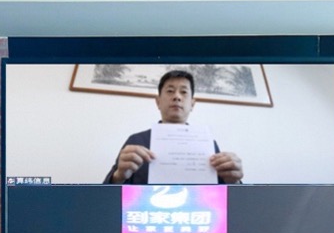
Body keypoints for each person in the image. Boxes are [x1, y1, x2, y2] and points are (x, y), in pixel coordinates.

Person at [104, 69, 246, 185]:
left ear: (192, 104)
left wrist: (235, 181)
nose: (177, 97)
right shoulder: (136, 141)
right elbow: (106, 193)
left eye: (184, 92)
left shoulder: (208, 144)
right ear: (158, 102)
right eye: (170, 91)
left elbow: (225, 196)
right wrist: (118, 176)